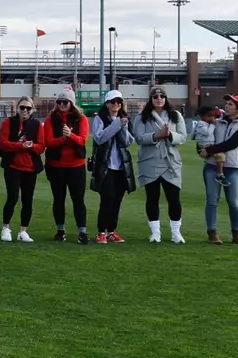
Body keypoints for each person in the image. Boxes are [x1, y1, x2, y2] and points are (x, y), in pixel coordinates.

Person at [131, 88, 188, 243]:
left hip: (170, 161)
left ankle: (176, 232)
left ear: (166, 98)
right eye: (155, 96)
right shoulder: (142, 117)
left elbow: (183, 137)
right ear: (151, 99)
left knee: (174, 198)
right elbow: (139, 138)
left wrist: (169, 135)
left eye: (162, 96)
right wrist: (157, 135)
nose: (159, 98)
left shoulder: (175, 116)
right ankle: (155, 233)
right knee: (152, 197)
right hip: (150, 161)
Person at [39, 88, 90, 243]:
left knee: (78, 200)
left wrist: (71, 136)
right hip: (56, 165)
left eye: (65, 102)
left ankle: (82, 232)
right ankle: (60, 230)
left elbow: (82, 140)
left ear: (71, 103)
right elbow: (48, 142)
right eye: (59, 102)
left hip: (76, 165)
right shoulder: (50, 119)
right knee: (58, 199)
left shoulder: (81, 119)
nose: (62, 104)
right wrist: (64, 138)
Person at [202, 94, 238, 244]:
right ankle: (212, 233)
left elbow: (232, 144)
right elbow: (203, 139)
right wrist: (201, 149)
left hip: (233, 167)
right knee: (212, 200)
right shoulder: (217, 123)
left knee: (234, 202)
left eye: (230, 104)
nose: (227, 106)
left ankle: (236, 233)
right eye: (227, 103)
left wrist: (210, 150)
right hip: (211, 165)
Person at [89, 90, 135, 244]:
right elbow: (100, 138)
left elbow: (128, 142)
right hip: (106, 166)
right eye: (113, 101)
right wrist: (117, 124)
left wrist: (122, 126)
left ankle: (112, 231)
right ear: (107, 103)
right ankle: (101, 231)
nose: (116, 104)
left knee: (117, 200)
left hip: (121, 167)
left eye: (118, 102)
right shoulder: (99, 119)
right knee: (107, 199)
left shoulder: (124, 120)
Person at [0, 96, 43, 242]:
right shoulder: (8, 122)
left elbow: (41, 147)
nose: (25, 110)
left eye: (28, 108)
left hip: (30, 168)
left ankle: (23, 230)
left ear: (32, 110)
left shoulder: (37, 125)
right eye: (22, 107)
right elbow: (3, 143)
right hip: (12, 166)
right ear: (17, 108)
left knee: (27, 200)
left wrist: (31, 147)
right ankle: (6, 227)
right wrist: (20, 146)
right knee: (12, 197)